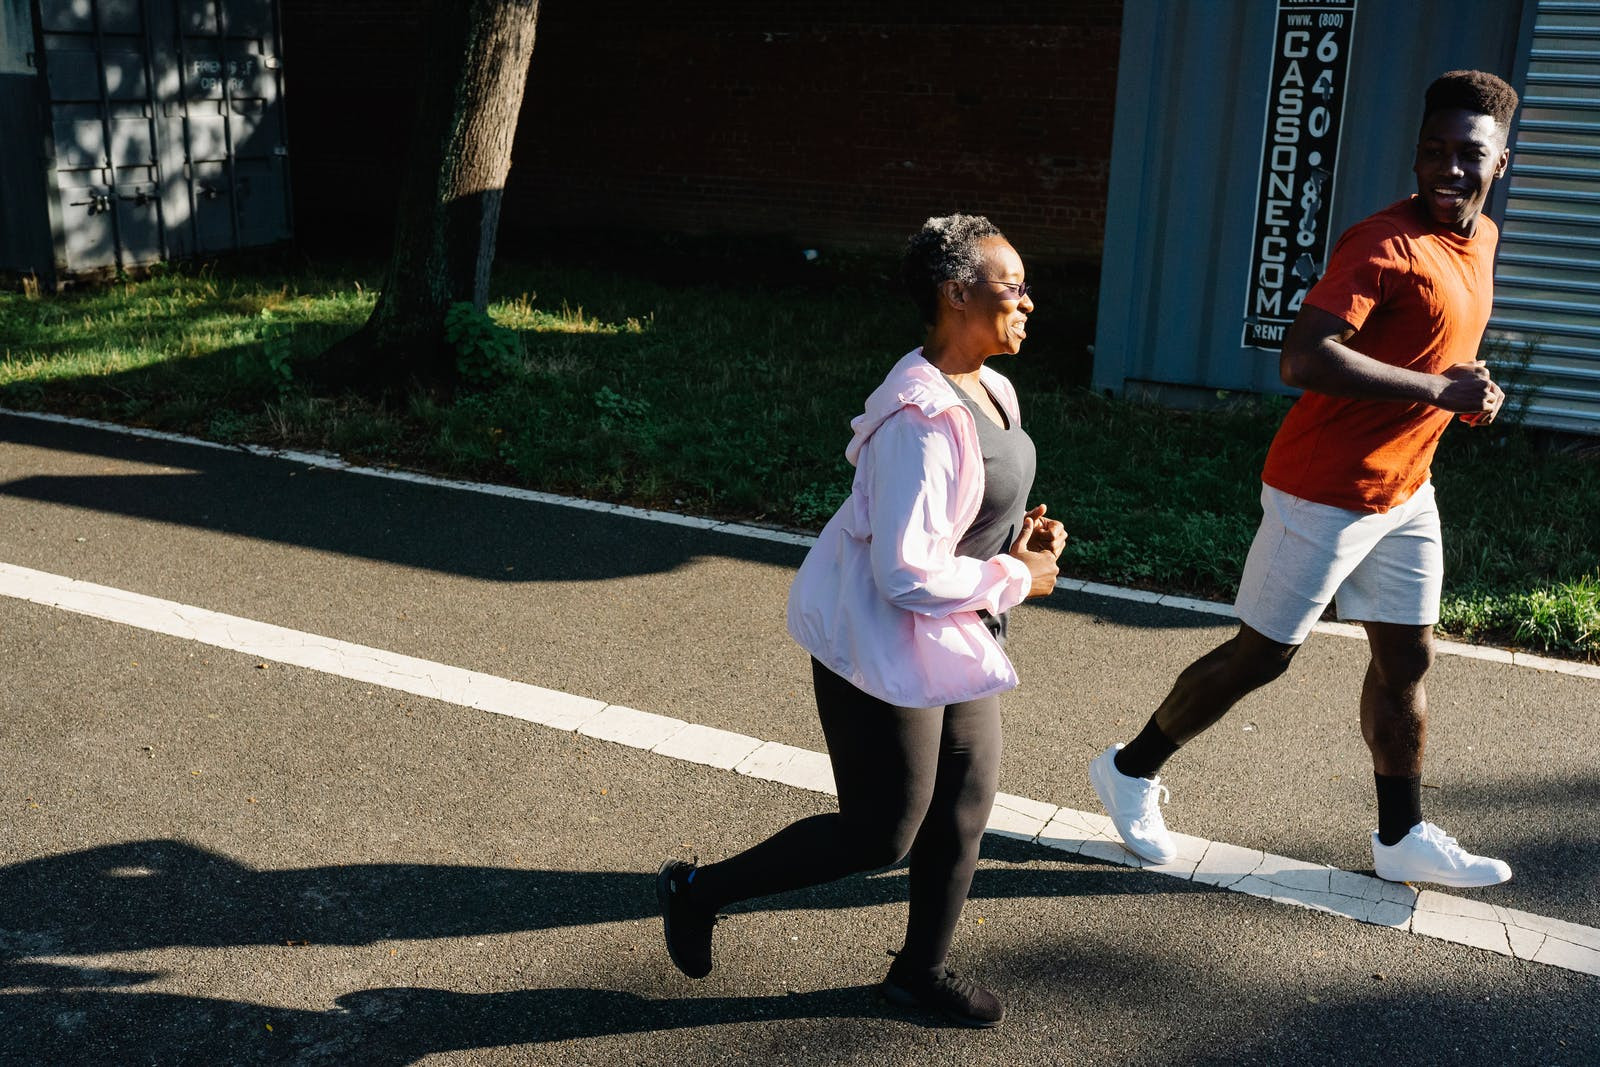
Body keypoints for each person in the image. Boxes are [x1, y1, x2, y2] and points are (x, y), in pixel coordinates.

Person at [1089, 70, 1519, 888]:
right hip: (1320, 488)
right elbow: (1303, 355)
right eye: (1433, 152)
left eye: (1469, 155)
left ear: (1502, 159)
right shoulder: (1384, 244)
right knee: (1263, 656)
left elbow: (1435, 351)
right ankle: (1130, 768)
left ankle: (1401, 835)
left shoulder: (1482, 238)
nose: (1447, 171)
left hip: (1406, 490)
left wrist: (1471, 388)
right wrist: (1438, 389)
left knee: (1408, 660)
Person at [657, 214, 1065, 1028]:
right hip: (883, 640)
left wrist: (1018, 540)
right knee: (880, 835)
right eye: (1012, 287)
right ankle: (696, 891)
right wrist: (1015, 574)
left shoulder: (994, 386)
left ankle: (919, 973)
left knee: (966, 801)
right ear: (957, 295)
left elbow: (966, 514)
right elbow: (907, 570)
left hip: (956, 629)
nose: (1029, 302)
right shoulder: (919, 419)